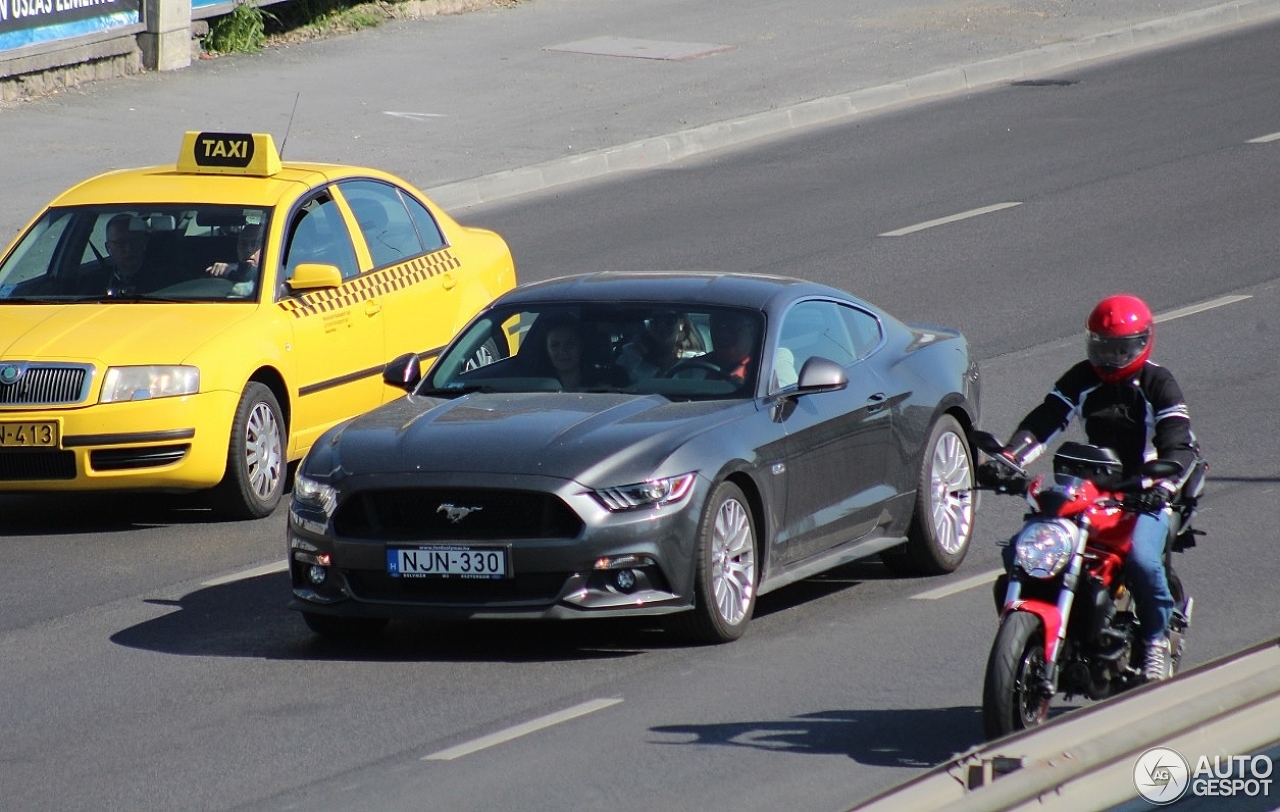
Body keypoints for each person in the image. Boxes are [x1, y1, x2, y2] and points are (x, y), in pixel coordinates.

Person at [979, 293, 1202, 682]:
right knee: (1024, 548)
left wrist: (1163, 485)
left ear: (1142, 342)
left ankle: (1154, 642)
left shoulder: (1157, 383)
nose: (1111, 358)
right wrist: (1009, 459)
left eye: (1122, 349)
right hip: (1091, 489)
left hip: (1146, 491)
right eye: (1103, 347)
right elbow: (1048, 417)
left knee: (1143, 562)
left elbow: (1178, 442)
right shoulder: (1082, 377)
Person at [537, 315, 627, 391]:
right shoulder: (533, 384)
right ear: (547, 350)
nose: (562, 351)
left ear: (580, 347)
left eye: (570, 344)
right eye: (554, 345)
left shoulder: (608, 382)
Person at [616, 310, 699, 379]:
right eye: (655, 320)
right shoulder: (631, 357)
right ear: (648, 325)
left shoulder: (695, 363)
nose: (661, 326)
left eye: (669, 320)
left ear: (682, 324)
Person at [101, 214, 155, 295]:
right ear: (108, 248)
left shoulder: (163, 280)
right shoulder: (95, 284)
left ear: (144, 242)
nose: (128, 249)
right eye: (120, 243)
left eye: (134, 241)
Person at [707, 310, 758, 384]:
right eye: (717, 327)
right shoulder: (692, 368)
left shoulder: (761, 371)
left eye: (733, 327)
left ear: (752, 331)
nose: (723, 334)